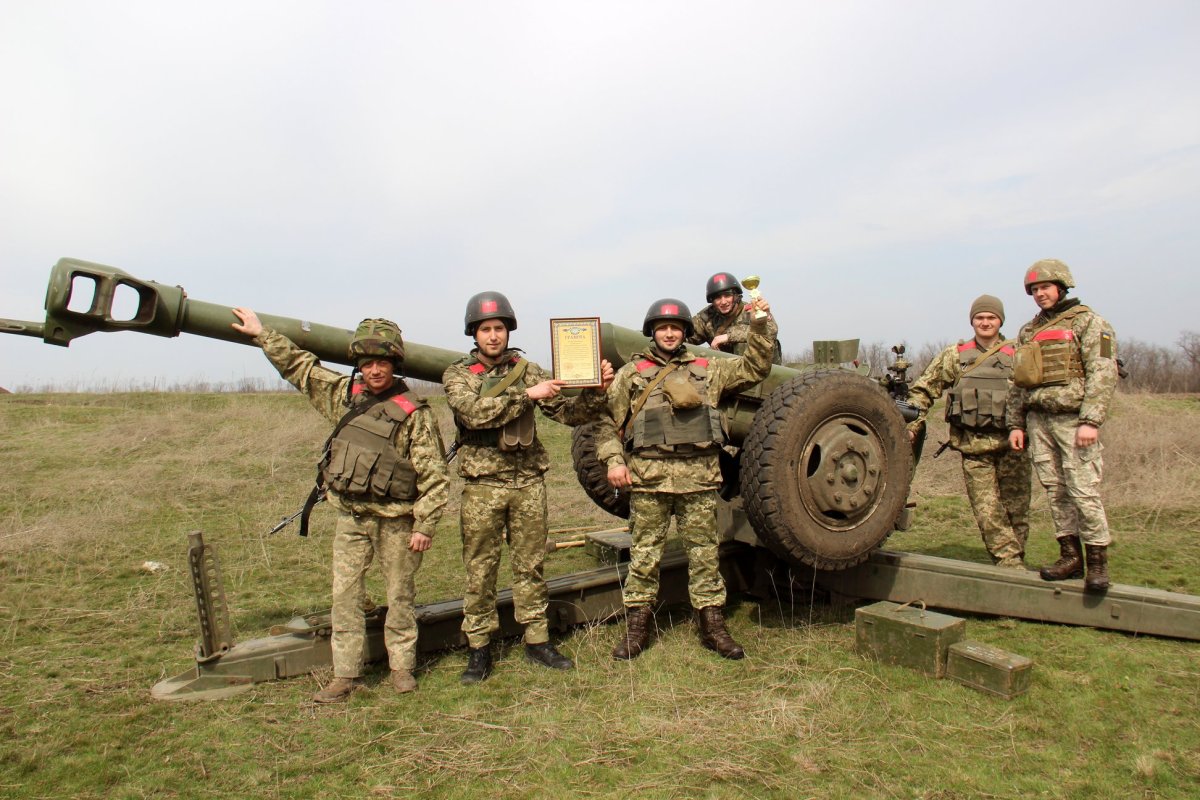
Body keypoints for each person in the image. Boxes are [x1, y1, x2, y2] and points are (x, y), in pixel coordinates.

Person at [230, 309, 448, 703]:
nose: (375, 370)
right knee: (344, 598)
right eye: (367, 364)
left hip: (397, 522)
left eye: (382, 362)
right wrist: (263, 335)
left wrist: (424, 526)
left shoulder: (416, 414)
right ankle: (346, 673)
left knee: (400, 596)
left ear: (394, 364)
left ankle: (402, 668)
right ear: (359, 367)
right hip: (351, 519)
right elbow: (301, 368)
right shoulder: (344, 399)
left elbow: (434, 476)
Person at [444, 291, 613, 684]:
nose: (492, 336)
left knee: (531, 564)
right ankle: (479, 648)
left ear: (508, 331)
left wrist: (595, 390)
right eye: (485, 329)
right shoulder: (457, 375)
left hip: (527, 483)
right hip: (483, 485)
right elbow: (472, 413)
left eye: (498, 328)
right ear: (474, 333)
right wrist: (526, 396)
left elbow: (570, 414)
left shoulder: (529, 369)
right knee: (480, 568)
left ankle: (537, 640)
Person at [600, 296, 773, 660]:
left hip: (698, 480)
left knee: (704, 555)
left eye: (675, 328)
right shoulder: (631, 374)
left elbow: (755, 368)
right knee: (644, 556)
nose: (668, 333)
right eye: (662, 327)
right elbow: (606, 425)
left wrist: (759, 325)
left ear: (684, 332)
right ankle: (637, 628)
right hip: (650, 481)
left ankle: (712, 627)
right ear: (652, 332)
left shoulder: (708, 367)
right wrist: (615, 461)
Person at [1006, 260, 1119, 591]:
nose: (1040, 294)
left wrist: (1091, 420)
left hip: (1074, 420)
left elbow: (1103, 371)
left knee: (1083, 490)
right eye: (1035, 290)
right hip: (1038, 420)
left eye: (1045, 287)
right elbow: (1019, 382)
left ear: (1062, 287)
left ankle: (1097, 563)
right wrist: (1016, 424)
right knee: (1056, 490)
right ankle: (1070, 556)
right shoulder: (1029, 331)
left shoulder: (1091, 323)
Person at [906, 295, 1031, 567]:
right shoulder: (956, 355)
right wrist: (913, 424)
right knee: (988, 511)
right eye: (980, 318)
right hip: (975, 448)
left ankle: (1014, 560)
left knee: (1017, 511)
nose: (985, 323)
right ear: (972, 321)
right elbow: (922, 391)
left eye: (991, 318)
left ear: (1000, 321)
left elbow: (1034, 394)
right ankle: (1010, 562)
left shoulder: (1020, 353)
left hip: (1014, 446)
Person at [689, 272, 783, 364]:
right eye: (718, 298)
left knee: (744, 343)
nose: (723, 302)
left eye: (727, 295)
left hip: (762, 369)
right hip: (726, 372)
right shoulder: (707, 317)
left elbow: (770, 331)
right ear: (712, 301)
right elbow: (685, 335)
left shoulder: (752, 311)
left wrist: (729, 336)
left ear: (736, 296)